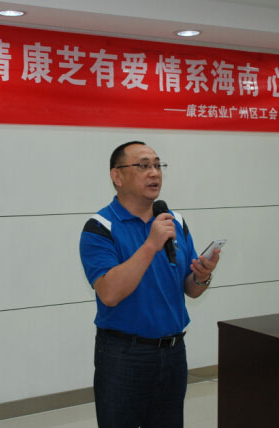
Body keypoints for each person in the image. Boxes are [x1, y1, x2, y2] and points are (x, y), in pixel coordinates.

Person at [79, 141, 221, 428]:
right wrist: (150, 245)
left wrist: (203, 275)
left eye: (157, 165)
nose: (154, 173)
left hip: (173, 352)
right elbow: (109, 294)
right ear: (117, 176)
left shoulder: (174, 221)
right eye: (143, 166)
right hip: (124, 355)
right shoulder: (100, 227)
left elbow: (190, 289)